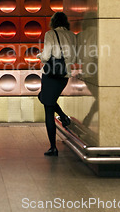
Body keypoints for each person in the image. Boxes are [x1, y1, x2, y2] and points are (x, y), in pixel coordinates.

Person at [37, 12, 76, 156]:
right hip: (64, 75)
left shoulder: (50, 34)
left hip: (50, 74)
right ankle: (63, 116)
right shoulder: (72, 35)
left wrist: (39, 56)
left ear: (53, 22)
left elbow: (46, 56)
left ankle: (53, 147)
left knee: (48, 106)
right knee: (45, 98)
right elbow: (73, 55)